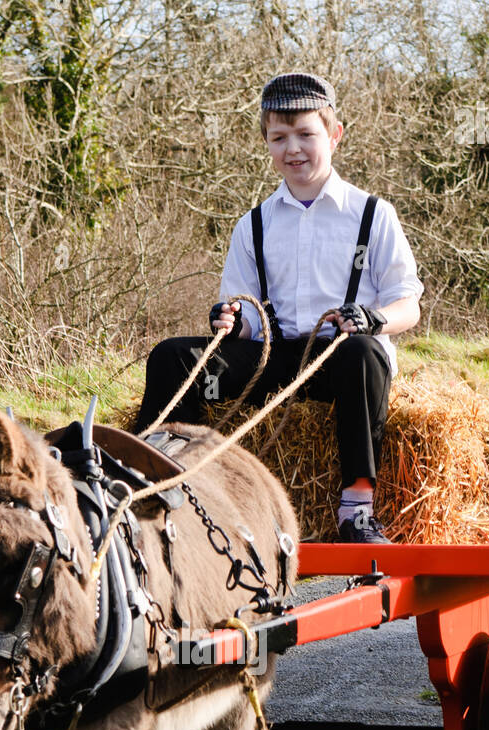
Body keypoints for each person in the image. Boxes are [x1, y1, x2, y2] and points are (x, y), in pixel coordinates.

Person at [134, 71, 424, 543]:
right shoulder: (253, 225)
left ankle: (356, 507)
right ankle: (158, 484)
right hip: (276, 362)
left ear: (334, 135)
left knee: (365, 352)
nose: (294, 149)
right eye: (279, 137)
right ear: (266, 143)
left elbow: (408, 304)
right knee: (173, 356)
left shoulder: (373, 215)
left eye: (306, 134)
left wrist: (374, 320)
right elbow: (248, 320)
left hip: (342, 364)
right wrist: (229, 320)